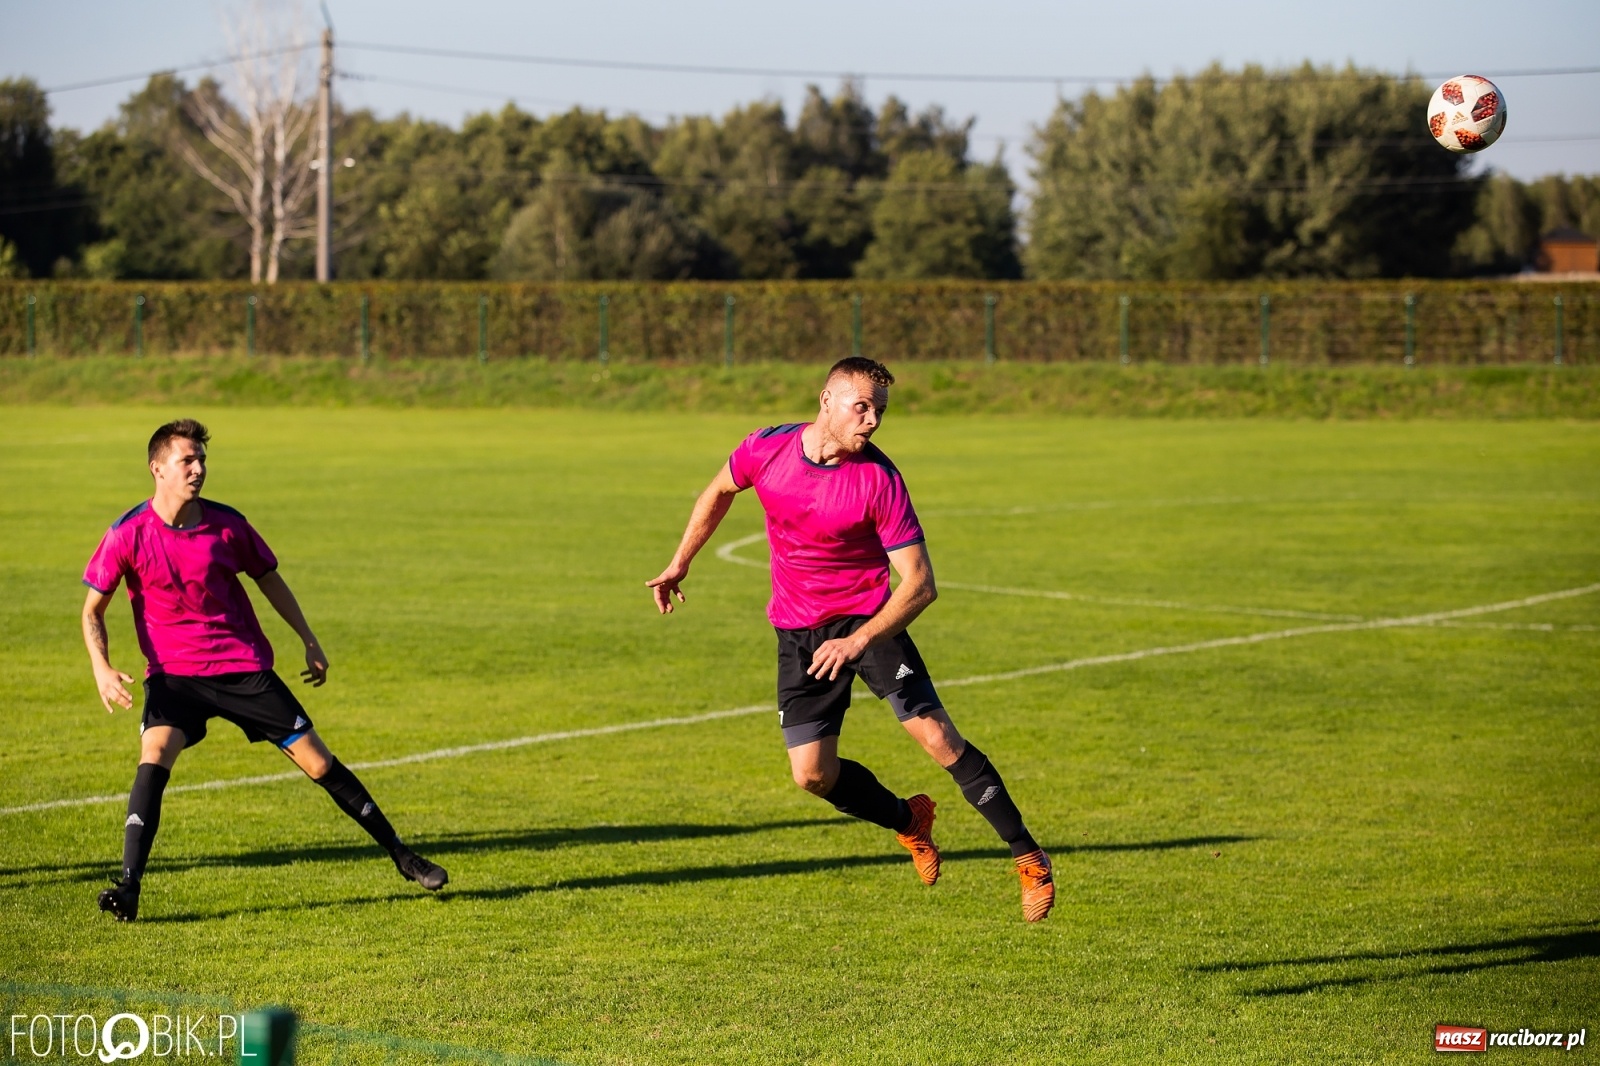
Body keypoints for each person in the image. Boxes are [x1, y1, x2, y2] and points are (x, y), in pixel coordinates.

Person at [646, 358, 1054, 921]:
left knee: (938, 739)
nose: (872, 422)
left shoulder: (879, 479)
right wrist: (678, 563)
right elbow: (718, 491)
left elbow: (920, 585)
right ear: (826, 400)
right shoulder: (766, 448)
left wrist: (860, 639)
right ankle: (908, 819)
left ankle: (1028, 857)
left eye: (880, 411)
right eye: (862, 407)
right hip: (798, 630)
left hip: (869, 622)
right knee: (812, 774)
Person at [81, 419, 447, 922]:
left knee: (319, 764)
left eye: (202, 459)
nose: (198, 468)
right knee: (154, 754)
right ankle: (129, 885)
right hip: (174, 676)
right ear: (157, 468)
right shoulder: (127, 534)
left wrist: (308, 638)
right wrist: (101, 667)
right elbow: (91, 611)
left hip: (242, 668)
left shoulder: (228, 525)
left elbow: (269, 579)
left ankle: (405, 858)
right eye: (187, 459)